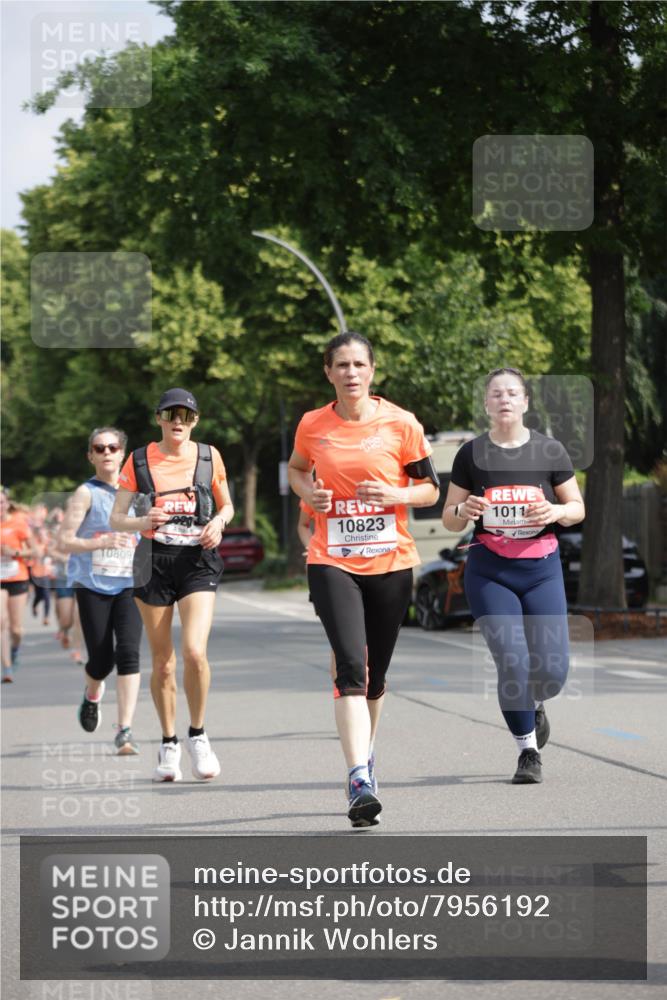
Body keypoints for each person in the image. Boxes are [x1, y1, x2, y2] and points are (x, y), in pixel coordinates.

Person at [288, 332, 440, 827]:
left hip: (391, 561)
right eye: (341, 365)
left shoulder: (402, 423)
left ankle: (366, 757)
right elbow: (295, 469)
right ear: (328, 373)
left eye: (359, 364)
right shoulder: (313, 424)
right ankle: (358, 778)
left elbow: (429, 490)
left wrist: (394, 493)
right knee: (351, 667)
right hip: (331, 559)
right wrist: (309, 492)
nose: (351, 372)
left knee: (375, 678)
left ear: (373, 370)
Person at [442, 367, 585, 784]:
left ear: (525, 402)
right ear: (486, 404)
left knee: (552, 673)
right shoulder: (470, 454)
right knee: (512, 661)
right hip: (491, 572)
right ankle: (527, 751)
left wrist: (556, 511)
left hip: (542, 571)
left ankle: (537, 702)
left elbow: (577, 506)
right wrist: (463, 512)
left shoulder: (550, 450)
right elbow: (450, 519)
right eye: (496, 394)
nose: (504, 399)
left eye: (512, 393)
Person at [110, 388, 234, 783]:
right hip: (153, 561)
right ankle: (168, 743)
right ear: (158, 418)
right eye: (170, 414)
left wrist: (218, 522)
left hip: (198, 560)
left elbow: (227, 504)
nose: (177, 420)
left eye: (185, 414)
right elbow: (117, 518)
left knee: (195, 652)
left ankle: (197, 734)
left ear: (195, 420)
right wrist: (143, 521)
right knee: (163, 661)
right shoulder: (139, 459)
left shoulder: (209, 456)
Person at [60, 428, 143, 755]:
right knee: (101, 660)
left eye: (113, 447)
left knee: (129, 653)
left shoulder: (137, 493)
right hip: (92, 584)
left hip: (129, 584)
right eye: (99, 448)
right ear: (91, 455)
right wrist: (101, 541)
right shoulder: (85, 493)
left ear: (122, 453)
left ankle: (124, 730)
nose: (107, 452)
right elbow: (64, 541)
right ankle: (92, 694)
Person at [297, 500, 337, 690]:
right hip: (329, 567)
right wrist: (311, 546)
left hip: (374, 567)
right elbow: (303, 525)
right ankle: (345, 691)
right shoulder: (317, 484)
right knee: (342, 642)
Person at [1, 492, 36, 683]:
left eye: (1, 502)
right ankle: (6, 668)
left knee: (16, 629)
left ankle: (15, 650)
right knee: (0, 621)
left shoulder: (18, 524)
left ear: (7, 504)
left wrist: (15, 552)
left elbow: (36, 551)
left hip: (17, 577)